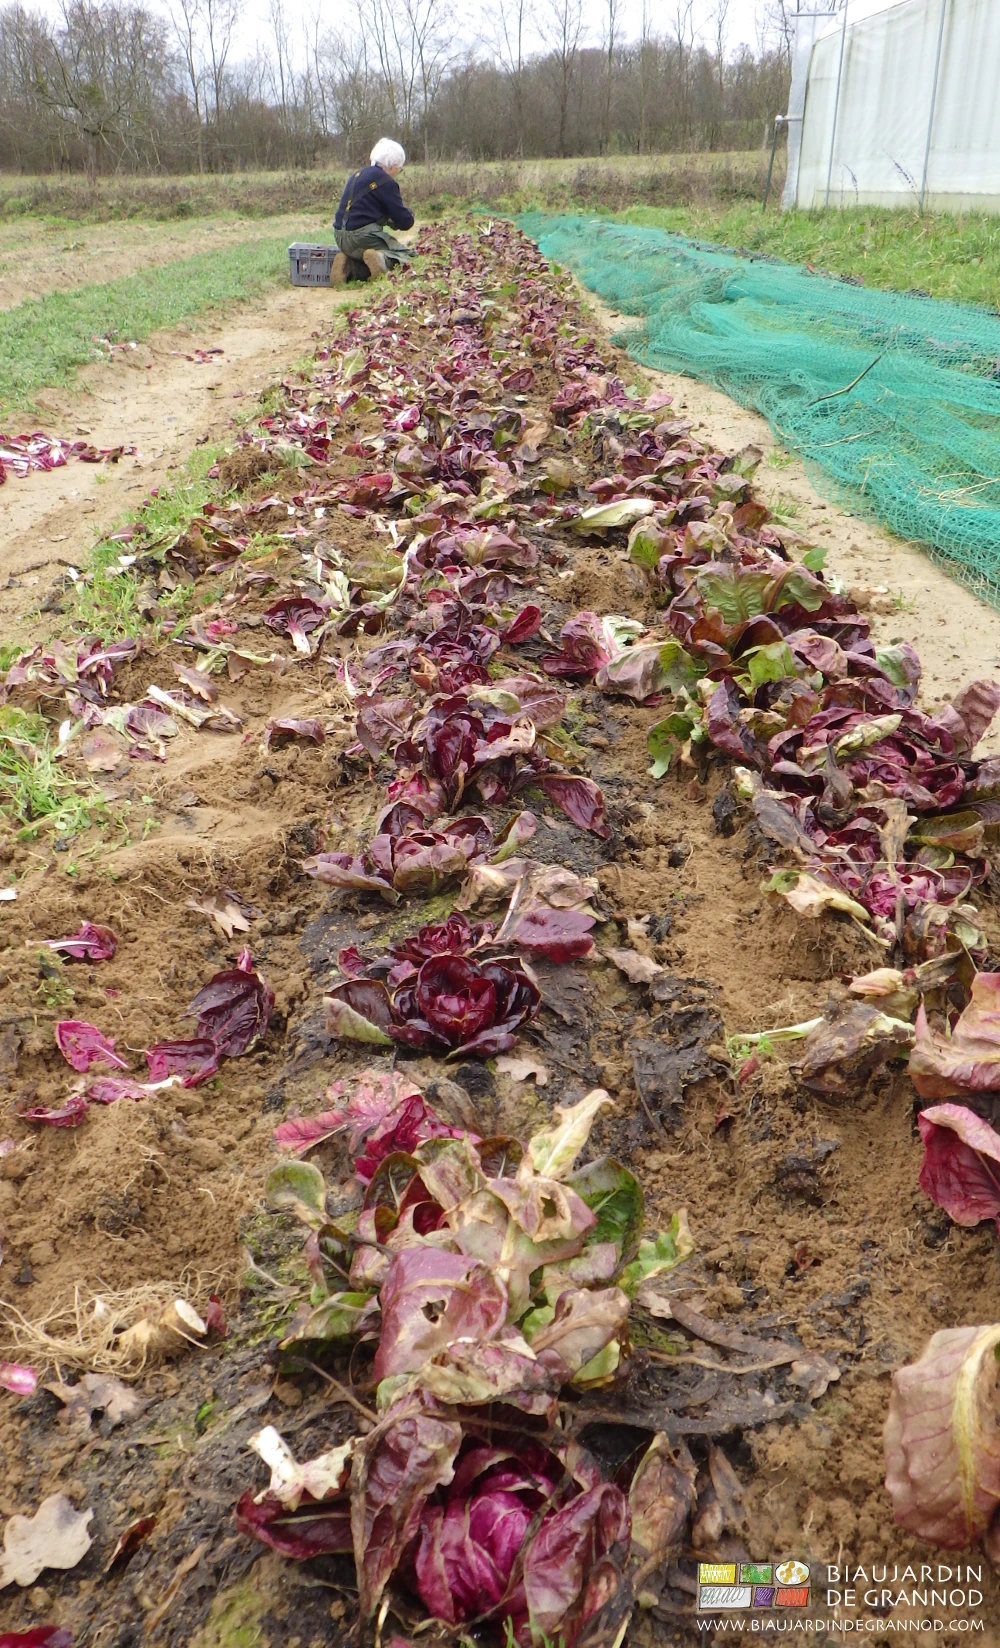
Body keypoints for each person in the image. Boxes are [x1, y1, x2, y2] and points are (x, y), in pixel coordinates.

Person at [332, 139, 414, 285]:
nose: (398, 173)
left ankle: (350, 267)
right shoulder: (387, 182)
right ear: (393, 165)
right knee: (404, 254)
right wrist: (409, 215)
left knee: (364, 257)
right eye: (400, 169)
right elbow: (404, 221)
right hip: (363, 236)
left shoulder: (357, 174)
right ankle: (382, 259)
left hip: (340, 237)